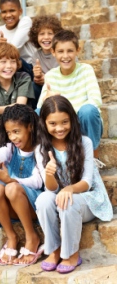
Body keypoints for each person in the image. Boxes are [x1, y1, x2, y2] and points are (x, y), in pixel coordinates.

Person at [35, 95, 113, 273]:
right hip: (59, 198)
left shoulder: (84, 142)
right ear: (44, 124)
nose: (60, 128)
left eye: (65, 122)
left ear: (72, 120)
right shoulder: (41, 148)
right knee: (43, 199)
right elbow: (51, 189)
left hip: (86, 199)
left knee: (68, 201)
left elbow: (86, 182)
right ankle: (54, 250)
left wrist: (69, 188)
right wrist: (49, 173)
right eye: (53, 124)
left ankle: (71, 254)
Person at [0, 104, 44, 266]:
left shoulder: (40, 148)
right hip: (13, 207)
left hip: (33, 205)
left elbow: (38, 181)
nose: (13, 137)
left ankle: (32, 237)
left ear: (30, 127)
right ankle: (11, 236)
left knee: (11, 187)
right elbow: (0, 154)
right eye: (9, 133)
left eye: (16, 132)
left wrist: (10, 180)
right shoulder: (11, 147)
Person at [36, 30, 103, 158]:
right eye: (60, 51)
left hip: (83, 122)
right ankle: (46, 156)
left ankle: (93, 157)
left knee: (88, 110)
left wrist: (71, 117)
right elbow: (40, 107)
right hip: (62, 126)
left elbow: (96, 100)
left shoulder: (86, 70)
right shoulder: (51, 75)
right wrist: (47, 100)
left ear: (77, 50)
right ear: (53, 52)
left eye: (70, 51)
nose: (65, 56)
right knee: (38, 112)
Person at [0, 42, 35, 132]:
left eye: (13, 62)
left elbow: (19, 106)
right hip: (0, 130)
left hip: (23, 126)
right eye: (3, 62)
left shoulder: (23, 77)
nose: (9, 66)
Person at [28, 15, 62, 108]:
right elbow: (39, 81)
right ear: (36, 36)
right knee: (32, 86)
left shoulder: (63, 52)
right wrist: (37, 76)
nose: (46, 37)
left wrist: (46, 78)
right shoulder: (36, 56)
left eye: (50, 33)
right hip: (46, 90)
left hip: (63, 88)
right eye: (42, 34)